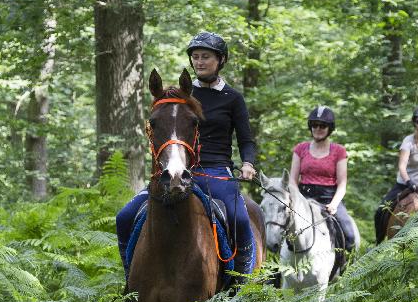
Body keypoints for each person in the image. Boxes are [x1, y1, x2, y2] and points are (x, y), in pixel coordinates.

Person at [115, 32, 258, 279]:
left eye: (206, 57)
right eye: (195, 57)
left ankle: (241, 284)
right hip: (178, 168)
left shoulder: (233, 98)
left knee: (240, 220)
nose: (200, 62)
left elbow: (246, 140)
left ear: (221, 60)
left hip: (216, 171)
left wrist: (248, 163)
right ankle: (131, 284)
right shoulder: (183, 95)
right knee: (125, 216)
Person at [289, 106, 356, 252]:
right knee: (280, 229)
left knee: (349, 235)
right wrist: (296, 199)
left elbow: (342, 183)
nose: (318, 128)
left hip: (329, 198)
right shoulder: (300, 149)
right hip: (303, 197)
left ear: (329, 128)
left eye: (323, 126)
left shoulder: (339, 151)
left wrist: (334, 204)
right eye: (314, 125)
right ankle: (277, 271)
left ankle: (346, 269)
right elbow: (292, 181)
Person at [379, 106, 418, 217]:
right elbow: (402, 166)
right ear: (414, 123)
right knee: (380, 212)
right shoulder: (408, 141)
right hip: (404, 186)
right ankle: (379, 235)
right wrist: (409, 182)